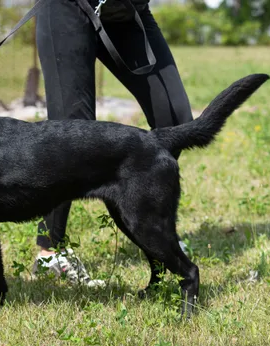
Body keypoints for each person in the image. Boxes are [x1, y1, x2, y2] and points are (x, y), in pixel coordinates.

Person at [32, 0, 193, 287]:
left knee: (175, 118)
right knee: (73, 133)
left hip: (126, 10)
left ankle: (151, 229)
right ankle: (50, 252)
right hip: (67, 9)